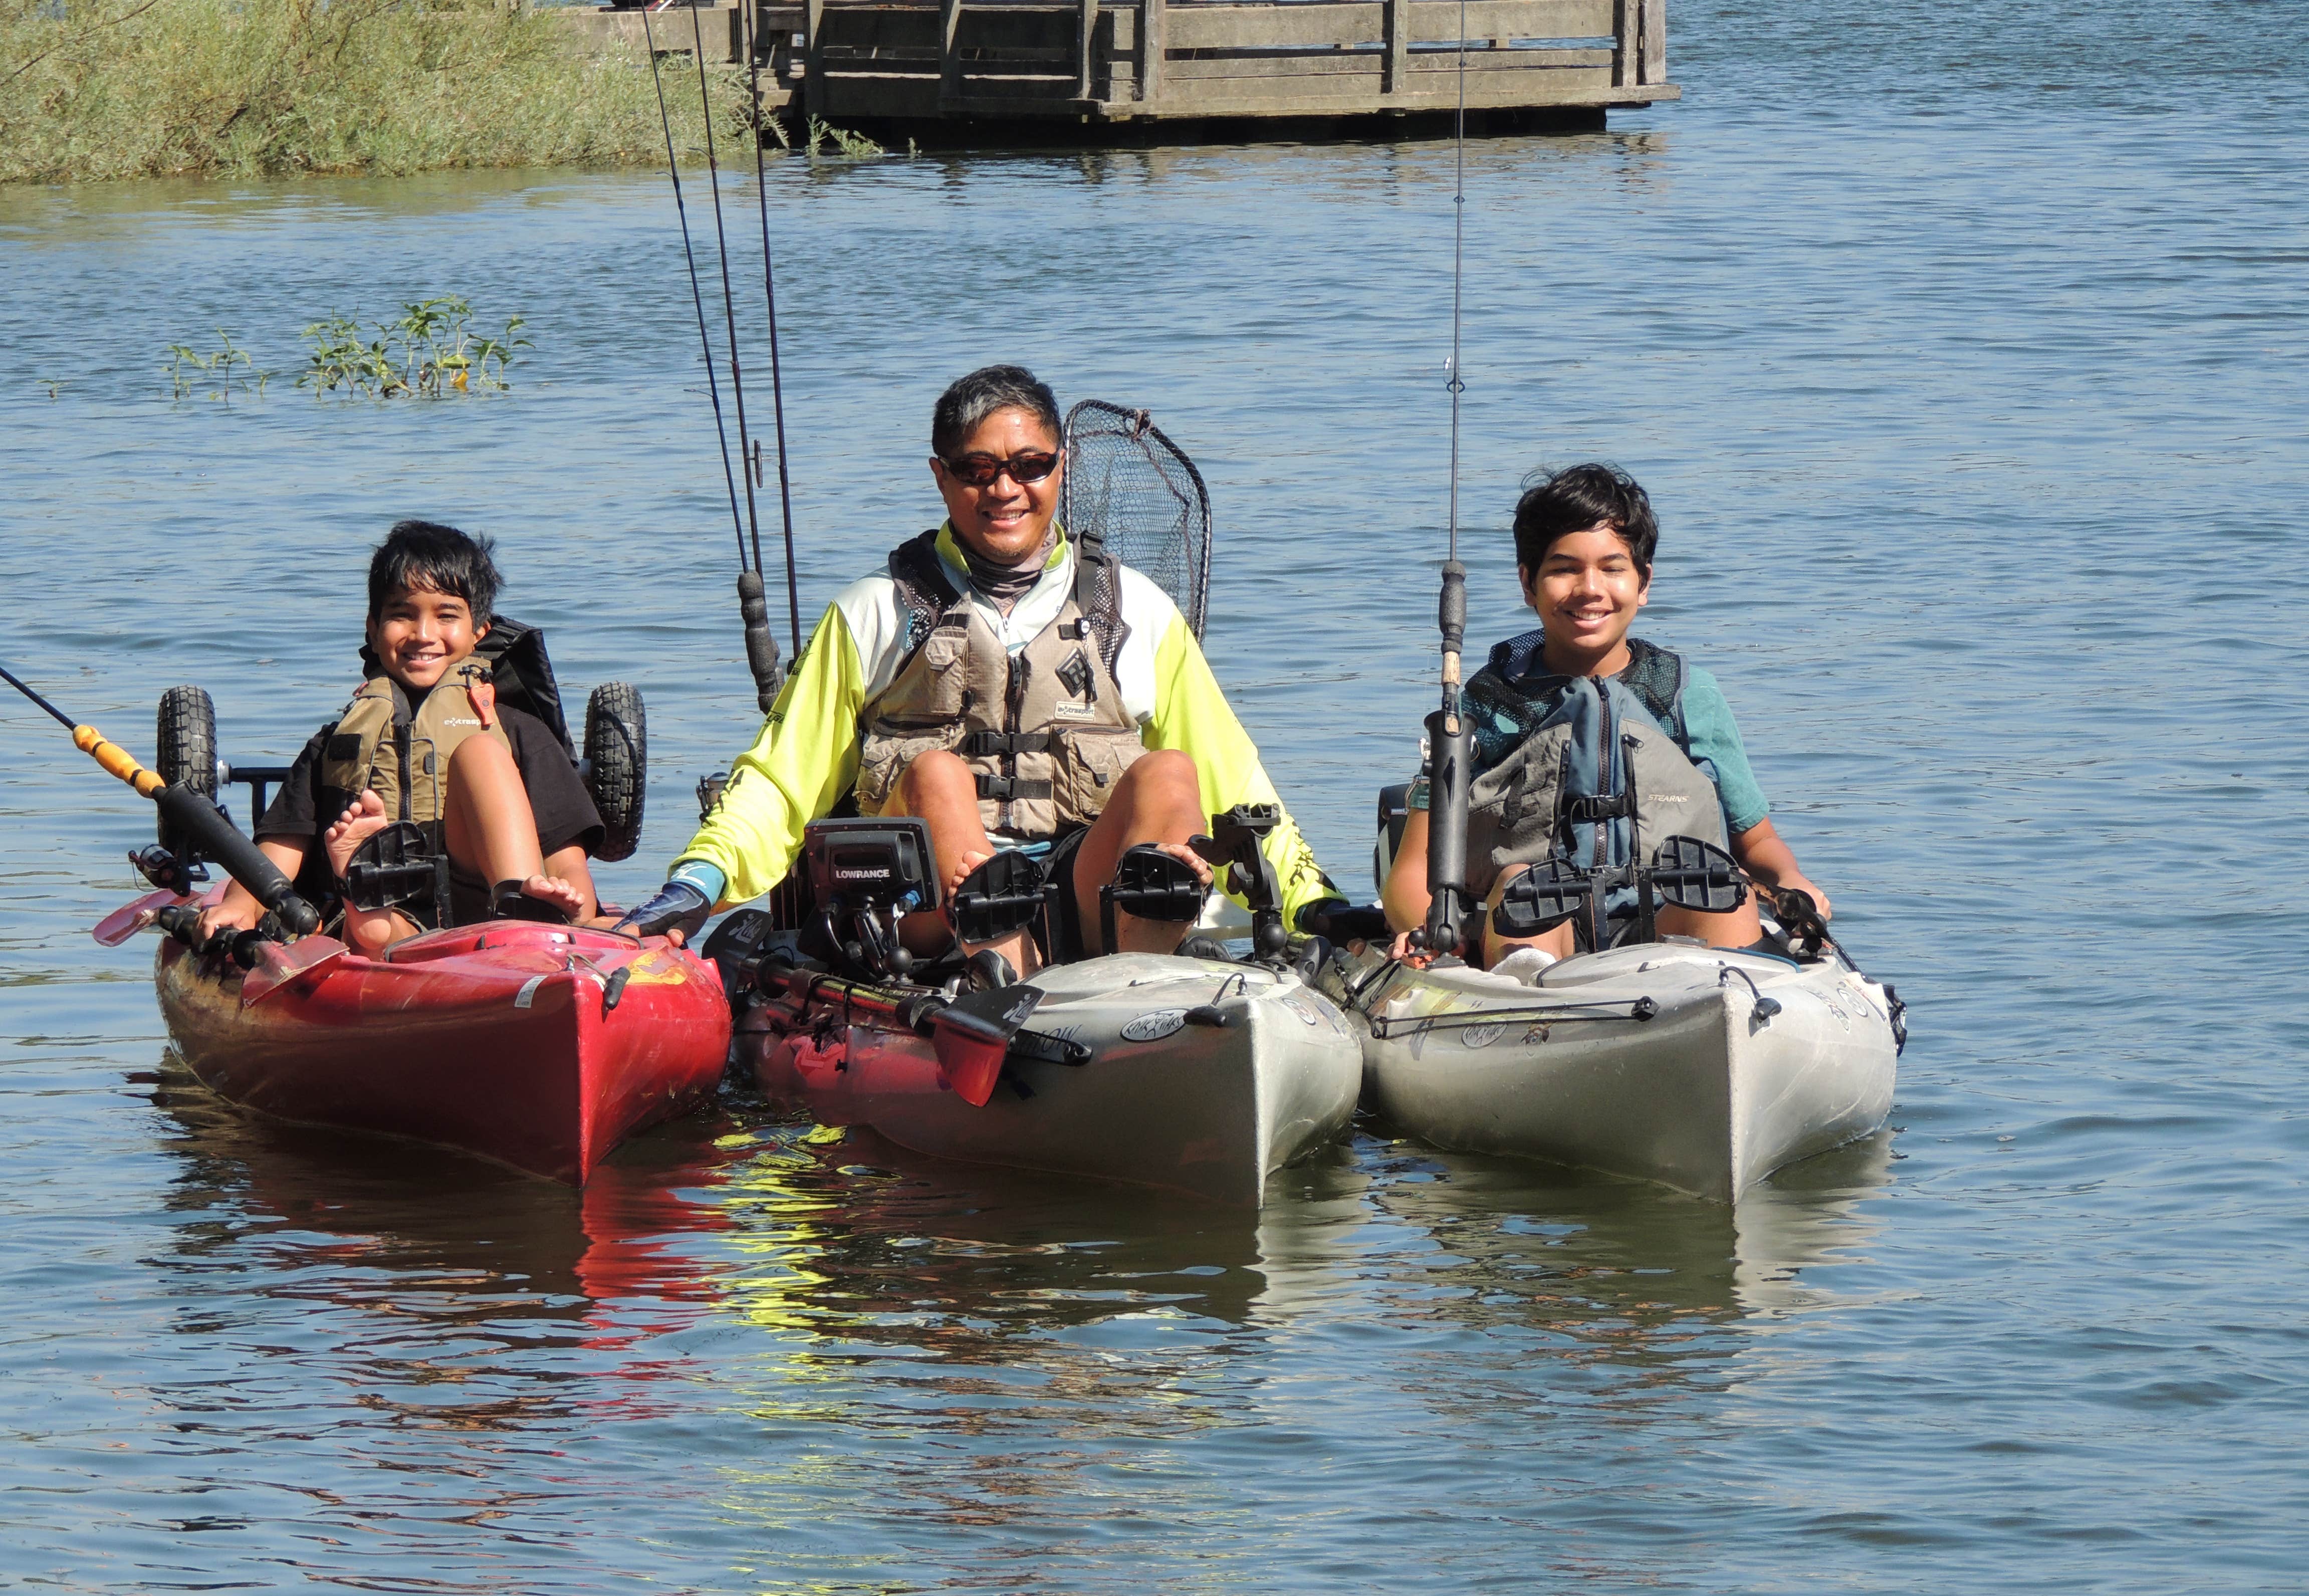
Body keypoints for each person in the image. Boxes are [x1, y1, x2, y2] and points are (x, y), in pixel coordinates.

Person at [622, 363, 1338, 971]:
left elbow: (1235, 779)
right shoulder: (873, 613)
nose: (1006, 491)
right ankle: (1001, 979)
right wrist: (696, 884)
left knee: (1172, 771)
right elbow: (780, 780)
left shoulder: (1139, 611)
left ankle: (1148, 991)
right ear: (941, 477)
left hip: (1083, 898)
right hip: (924, 920)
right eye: (978, 471)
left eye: (1030, 467)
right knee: (937, 773)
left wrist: (1315, 903)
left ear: (1063, 469)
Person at [1383, 463, 1830, 968]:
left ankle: (1731, 1008)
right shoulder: (1482, 707)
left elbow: (1759, 842)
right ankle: (1531, 1002)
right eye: (1564, 569)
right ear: (1529, 584)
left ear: (1644, 583)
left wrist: (1790, 881)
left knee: (1719, 886)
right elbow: (1413, 867)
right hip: (1532, 938)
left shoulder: (1689, 696)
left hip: (1672, 935)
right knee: (1524, 886)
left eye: (1613, 569)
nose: (1590, 589)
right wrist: (1424, 928)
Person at [198, 521, 605, 958]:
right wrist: (241, 905)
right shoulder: (333, 745)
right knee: (374, 928)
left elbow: (564, 856)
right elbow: (282, 846)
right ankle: (366, 897)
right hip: (379, 925)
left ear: (479, 633)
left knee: (482, 752)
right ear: (373, 629)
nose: (423, 634)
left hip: (486, 918)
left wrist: (580, 911)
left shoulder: (518, 731)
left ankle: (525, 913)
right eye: (402, 614)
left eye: (447, 615)